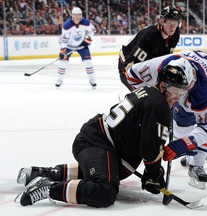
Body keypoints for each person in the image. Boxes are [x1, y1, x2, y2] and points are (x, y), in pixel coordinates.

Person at [14, 57, 195, 208]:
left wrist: (152, 171)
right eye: (174, 91)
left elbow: (145, 140)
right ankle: (49, 188)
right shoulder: (159, 105)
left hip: (98, 141)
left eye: (181, 93)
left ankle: (40, 173)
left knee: (109, 174)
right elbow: (150, 149)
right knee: (105, 191)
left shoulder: (149, 92)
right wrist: (154, 174)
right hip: (98, 144)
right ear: (163, 85)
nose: (177, 98)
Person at [126, 49, 207, 189]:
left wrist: (185, 144)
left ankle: (198, 164)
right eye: (171, 92)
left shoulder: (203, 93)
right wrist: (148, 101)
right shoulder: (158, 66)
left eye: (179, 93)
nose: (174, 98)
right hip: (191, 70)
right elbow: (132, 75)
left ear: (189, 86)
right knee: (181, 127)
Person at [118, 5, 181, 91]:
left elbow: (164, 58)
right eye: (170, 23)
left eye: (175, 23)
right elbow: (131, 64)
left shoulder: (175, 33)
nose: (173, 27)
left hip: (147, 59)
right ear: (162, 21)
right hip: (127, 60)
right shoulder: (150, 36)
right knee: (144, 94)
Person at [55, 7, 96, 89]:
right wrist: (63, 50)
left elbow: (93, 30)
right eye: (75, 15)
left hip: (81, 46)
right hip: (69, 46)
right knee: (63, 62)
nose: (77, 17)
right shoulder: (67, 25)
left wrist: (88, 39)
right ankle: (59, 80)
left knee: (88, 62)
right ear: (72, 15)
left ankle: (92, 80)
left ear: (81, 15)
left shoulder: (86, 23)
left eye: (78, 15)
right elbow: (63, 38)